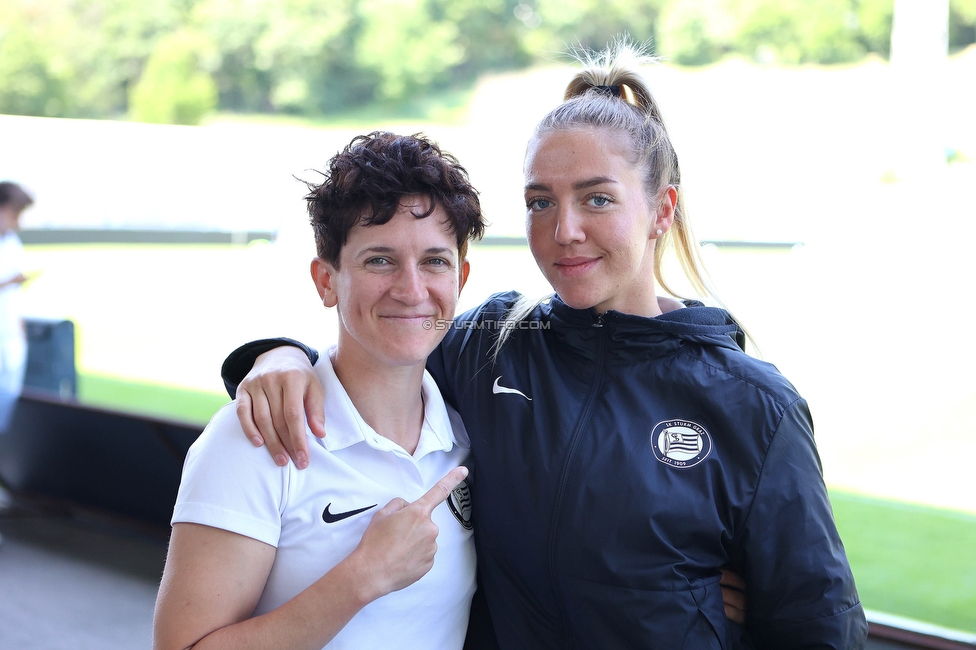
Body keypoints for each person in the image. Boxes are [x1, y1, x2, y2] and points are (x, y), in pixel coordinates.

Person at [220, 40, 867, 648]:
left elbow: (820, 627)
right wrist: (275, 356)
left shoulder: (755, 407)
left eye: (597, 199)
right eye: (539, 202)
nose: (565, 230)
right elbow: (376, 350)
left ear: (662, 211)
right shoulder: (488, 347)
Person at [153, 132, 486, 650]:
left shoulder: (467, 433)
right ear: (326, 280)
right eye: (380, 260)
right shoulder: (259, 438)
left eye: (435, 261)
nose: (412, 289)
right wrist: (361, 579)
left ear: (461, 277)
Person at [0, 181, 34, 433]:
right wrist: (10, 281)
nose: (16, 222)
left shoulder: (13, 242)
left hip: (10, 337)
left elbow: (15, 296)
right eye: (13, 214)